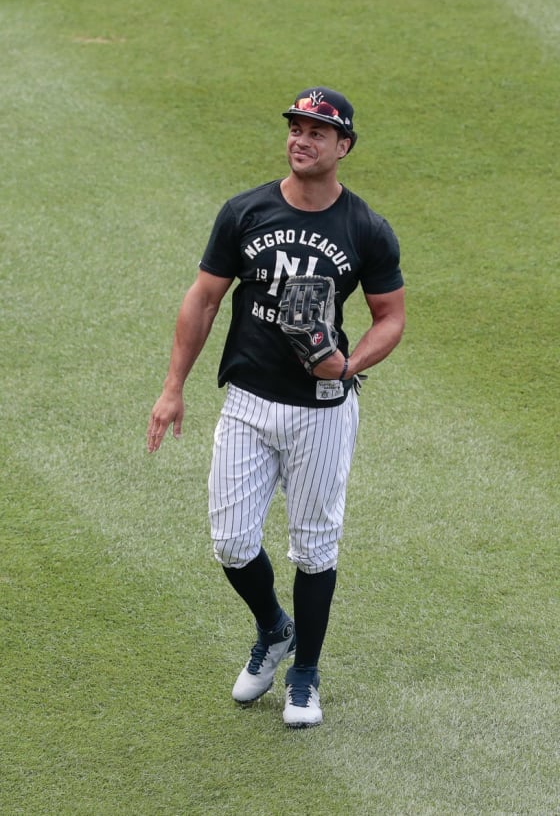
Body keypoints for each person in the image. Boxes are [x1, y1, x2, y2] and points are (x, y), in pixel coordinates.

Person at [147, 87, 406, 722]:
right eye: (296, 127)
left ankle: (306, 676)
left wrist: (349, 365)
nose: (302, 139)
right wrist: (173, 386)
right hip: (247, 401)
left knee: (314, 548)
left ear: (343, 147)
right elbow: (204, 299)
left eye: (318, 132)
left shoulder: (365, 228)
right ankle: (273, 628)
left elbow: (390, 317)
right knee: (232, 541)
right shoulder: (245, 212)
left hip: (321, 409)